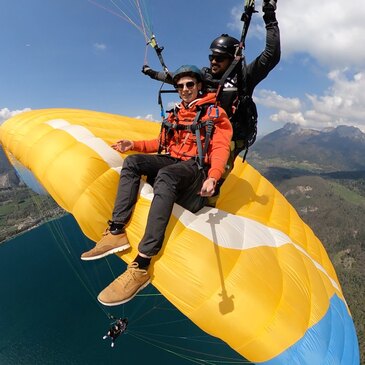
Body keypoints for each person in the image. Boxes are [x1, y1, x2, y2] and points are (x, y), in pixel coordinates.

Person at [81, 65, 233, 306]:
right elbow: (159, 142)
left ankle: (142, 265)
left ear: (199, 86)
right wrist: (133, 144)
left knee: (166, 176)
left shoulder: (214, 114)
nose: (184, 89)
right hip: (174, 159)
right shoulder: (176, 114)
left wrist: (213, 176)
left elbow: (221, 148)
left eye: (190, 85)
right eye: (181, 86)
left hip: (195, 167)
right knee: (131, 162)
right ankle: (116, 231)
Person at [142, 0, 280, 156]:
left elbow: (271, 56)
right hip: (204, 134)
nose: (214, 61)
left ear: (232, 59)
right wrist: (150, 72)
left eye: (219, 58)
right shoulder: (204, 75)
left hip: (229, 139)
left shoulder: (244, 77)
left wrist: (269, 15)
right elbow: (174, 77)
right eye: (212, 57)